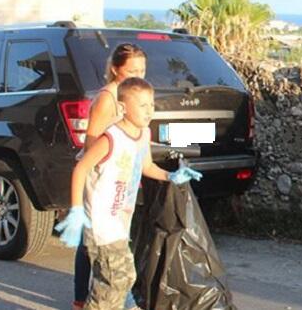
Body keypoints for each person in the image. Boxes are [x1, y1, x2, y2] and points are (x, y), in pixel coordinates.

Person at [55, 77, 203, 310]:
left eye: (151, 104)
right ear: (123, 108)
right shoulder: (111, 138)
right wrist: (75, 210)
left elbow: (146, 166)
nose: (149, 110)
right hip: (101, 224)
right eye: (142, 105)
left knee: (121, 279)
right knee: (115, 281)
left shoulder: (142, 134)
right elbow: (81, 167)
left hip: (120, 222)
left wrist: (171, 176)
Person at [71, 43, 147, 310]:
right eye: (132, 70)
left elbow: (147, 138)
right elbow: (92, 148)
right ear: (115, 69)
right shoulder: (108, 99)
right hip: (102, 183)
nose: (139, 74)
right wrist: (79, 206)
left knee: (112, 251)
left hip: (122, 182)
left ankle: (105, 301)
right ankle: (85, 301)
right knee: (96, 247)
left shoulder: (138, 96)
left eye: (142, 69)